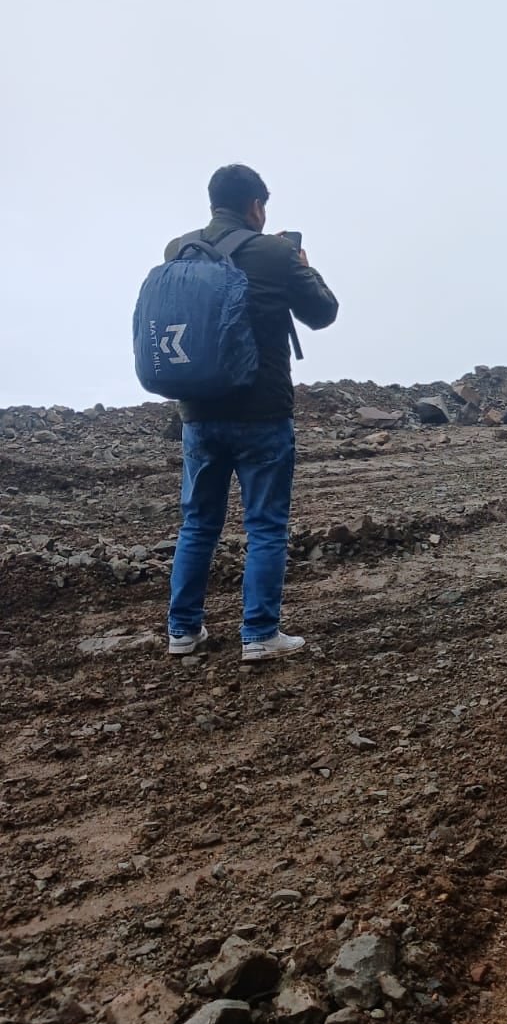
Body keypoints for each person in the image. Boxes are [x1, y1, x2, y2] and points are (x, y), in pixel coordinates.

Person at [165, 165, 339, 662]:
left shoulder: (178, 250)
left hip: (199, 413)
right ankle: (260, 635)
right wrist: (304, 265)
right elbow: (323, 313)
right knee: (265, 527)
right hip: (262, 414)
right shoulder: (276, 254)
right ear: (256, 206)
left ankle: (182, 631)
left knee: (198, 525)